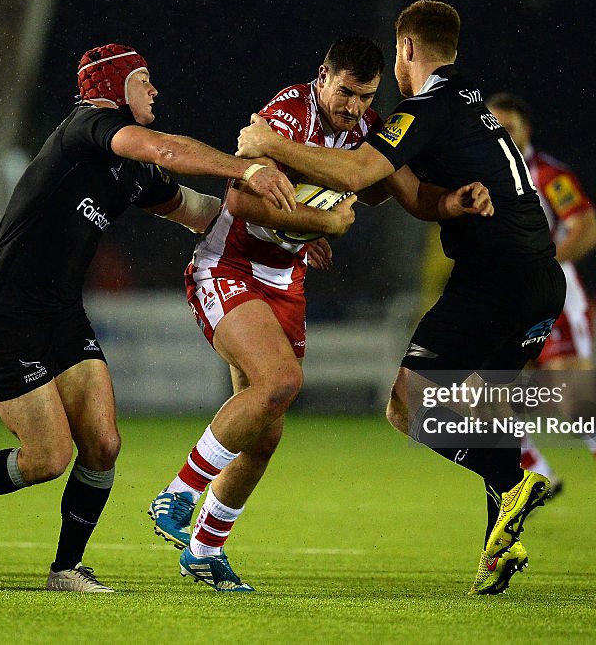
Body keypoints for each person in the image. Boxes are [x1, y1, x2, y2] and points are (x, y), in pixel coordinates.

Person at [0, 43, 296, 593]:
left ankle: (66, 570)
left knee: (104, 445)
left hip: (62, 314)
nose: (155, 90)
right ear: (114, 90)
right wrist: (247, 168)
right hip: (7, 315)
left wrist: (291, 232)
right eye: (145, 80)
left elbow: (205, 215)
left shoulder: (133, 174)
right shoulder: (87, 125)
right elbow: (165, 149)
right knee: (47, 458)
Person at [237, 0, 566, 596]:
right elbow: (409, 194)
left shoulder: (426, 108)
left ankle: (511, 479)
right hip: (542, 278)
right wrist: (452, 202)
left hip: (492, 279)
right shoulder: (471, 101)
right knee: (489, 412)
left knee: (405, 407)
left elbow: (360, 173)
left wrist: (271, 144)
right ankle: (498, 551)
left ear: (406, 49)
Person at [148, 36, 492, 592]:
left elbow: (407, 194)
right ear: (322, 76)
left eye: (366, 96)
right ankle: (179, 494)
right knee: (281, 381)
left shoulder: (365, 130)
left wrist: (455, 201)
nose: (354, 107)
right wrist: (322, 225)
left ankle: (205, 550)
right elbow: (237, 200)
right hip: (231, 265)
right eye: (346, 92)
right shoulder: (283, 117)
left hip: (286, 281)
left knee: (265, 433)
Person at [486, 92, 596, 532]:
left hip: (554, 299)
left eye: (511, 127)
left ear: (527, 132)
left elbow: (588, 230)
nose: (502, 134)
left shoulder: (548, 175)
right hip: (508, 300)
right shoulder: (486, 177)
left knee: (576, 403)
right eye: (494, 126)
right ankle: (538, 473)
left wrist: (541, 262)